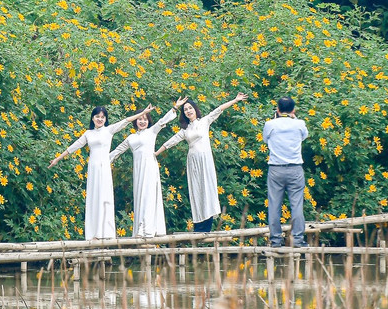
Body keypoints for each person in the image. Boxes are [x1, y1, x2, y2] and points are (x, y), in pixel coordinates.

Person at [49, 104, 154, 240]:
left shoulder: (109, 130)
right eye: (97, 116)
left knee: (104, 198)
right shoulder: (88, 134)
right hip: (93, 169)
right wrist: (57, 159)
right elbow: (74, 146)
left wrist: (142, 112)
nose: (100, 119)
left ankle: (105, 233)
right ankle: (94, 233)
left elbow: (126, 121)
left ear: (105, 119)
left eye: (102, 117)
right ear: (93, 118)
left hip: (104, 168)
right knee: (94, 198)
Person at [156, 92, 248, 233]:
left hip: (205, 160)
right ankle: (198, 226)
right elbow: (171, 142)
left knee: (207, 189)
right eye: (185, 110)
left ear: (195, 109)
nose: (188, 111)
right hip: (193, 162)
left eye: (190, 108)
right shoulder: (185, 130)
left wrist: (235, 100)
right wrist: (156, 153)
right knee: (196, 191)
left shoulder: (204, 121)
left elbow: (219, 109)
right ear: (184, 114)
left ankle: (207, 226)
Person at [109, 97, 185, 237]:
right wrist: (102, 160)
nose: (142, 121)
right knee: (139, 197)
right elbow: (117, 151)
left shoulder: (152, 132)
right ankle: (140, 228)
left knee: (148, 196)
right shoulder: (131, 138)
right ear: (135, 121)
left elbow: (162, 121)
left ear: (148, 121)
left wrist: (175, 107)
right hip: (138, 170)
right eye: (139, 119)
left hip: (149, 168)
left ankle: (147, 230)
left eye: (145, 119)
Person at [263, 96, 308, 247]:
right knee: (297, 205)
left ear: (278, 109)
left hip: (276, 168)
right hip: (295, 168)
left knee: (274, 205)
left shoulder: (270, 124)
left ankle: (275, 240)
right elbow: (304, 136)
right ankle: (298, 239)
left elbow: (265, 140)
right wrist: (294, 118)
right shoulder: (300, 123)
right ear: (293, 110)